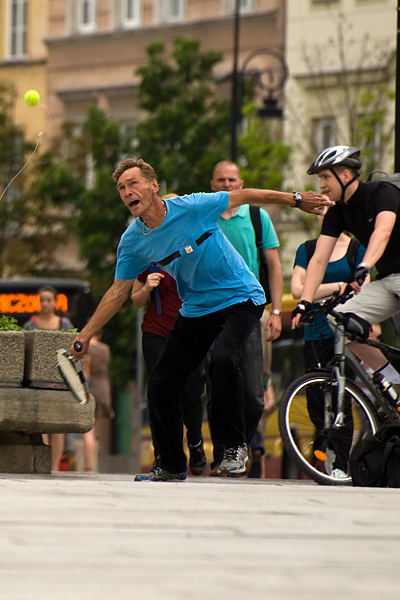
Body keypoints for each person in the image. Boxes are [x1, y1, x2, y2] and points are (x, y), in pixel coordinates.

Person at [71, 157, 330, 482]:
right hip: (196, 307)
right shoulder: (133, 241)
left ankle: (234, 446)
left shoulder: (192, 206)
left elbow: (245, 194)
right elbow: (117, 292)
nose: (127, 192)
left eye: (133, 183)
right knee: (162, 382)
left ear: (154, 185)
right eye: (122, 188)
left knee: (223, 359)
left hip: (240, 296)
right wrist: (85, 335)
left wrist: (295, 199)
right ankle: (171, 464)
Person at [292, 146, 400, 390]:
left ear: (346, 175)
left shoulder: (382, 192)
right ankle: (393, 380)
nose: (321, 185)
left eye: (325, 177)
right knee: (339, 320)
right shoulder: (337, 213)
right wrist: (304, 302)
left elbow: (382, 232)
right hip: (387, 280)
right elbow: (319, 259)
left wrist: (364, 266)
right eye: (320, 179)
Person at [211, 161, 282, 478]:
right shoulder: (206, 216)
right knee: (217, 384)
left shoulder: (257, 217)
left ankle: (242, 441)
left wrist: (276, 311)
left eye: (232, 180)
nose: (227, 185)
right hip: (211, 309)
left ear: (242, 184)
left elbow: (275, 265)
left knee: (254, 393)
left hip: (251, 308)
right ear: (212, 185)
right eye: (221, 180)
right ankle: (228, 451)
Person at [291, 218, 366, 478]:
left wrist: (314, 292)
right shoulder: (308, 249)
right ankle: (325, 450)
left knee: (342, 399)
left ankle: (340, 464)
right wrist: (339, 287)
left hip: (344, 332)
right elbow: (297, 290)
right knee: (314, 398)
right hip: (315, 329)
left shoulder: (356, 248)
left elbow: (362, 290)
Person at [132, 264, 207, 476]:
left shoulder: (194, 254)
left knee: (191, 394)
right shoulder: (150, 259)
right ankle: (162, 455)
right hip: (156, 332)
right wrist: (147, 287)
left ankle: (195, 441)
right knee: (159, 393)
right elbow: (136, 299)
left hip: (190, 331)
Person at [24, 286, 76, 471]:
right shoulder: (30, 325)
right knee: (41, 424)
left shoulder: (65, 324)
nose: (45, 304)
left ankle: (54, 466)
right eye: (42, 300)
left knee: (58, 425)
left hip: (60, 379)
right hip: (37, 380)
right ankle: (43, 465)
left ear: (55, 302)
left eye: (48, 300)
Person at [82, 333, 113, 473]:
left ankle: (89, 465)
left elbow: (85, 372)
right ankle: (94, 462)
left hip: (90, 390)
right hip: (103, 390)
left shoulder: (85, 349)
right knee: (96, 429)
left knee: (88, 431)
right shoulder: (105, 349)